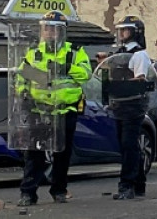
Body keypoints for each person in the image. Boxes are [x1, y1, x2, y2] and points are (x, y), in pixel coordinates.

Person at [16, 12, 91, 207]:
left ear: (61, 31)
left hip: (65, 111)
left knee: (62, 155)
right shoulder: (34, 53)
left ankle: (59, 190)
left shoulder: (74, 52)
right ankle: (28, 193)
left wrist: (66, 67)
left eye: (53, 28)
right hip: (39, 111)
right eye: (46, 28)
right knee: (34, 154)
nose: (49, 32)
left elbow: (86, 75)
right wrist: (24, 96)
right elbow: (22, 78)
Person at [110, 15, 153, 200]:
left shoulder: (138, 54)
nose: (121, 34)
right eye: (120, 30)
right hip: (120, 104)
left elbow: (140, 79)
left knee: (129, 145)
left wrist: (122, 83)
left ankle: (126, 185)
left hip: (134, 104)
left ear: (135, 33)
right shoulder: (119, 52)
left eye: (125, 30)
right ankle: (139, 183)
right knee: (128, 146)